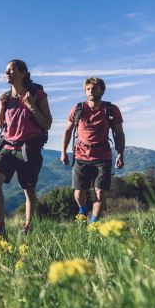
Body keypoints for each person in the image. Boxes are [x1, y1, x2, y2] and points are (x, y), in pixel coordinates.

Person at [0, 60, 52, 238]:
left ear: (23, 73)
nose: (6, 73)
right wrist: (1, 107)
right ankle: (0, 227)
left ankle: (28, 228)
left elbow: (47, 124)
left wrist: (31, 105)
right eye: (5, 71)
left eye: (11, 70)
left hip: (28, 148)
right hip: (7, 146)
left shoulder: (36, 93)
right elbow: (0, 124)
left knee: (28, 190)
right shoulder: (6, 97)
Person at [60, 77, 125, 223]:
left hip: (103, 156)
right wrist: (63, 152)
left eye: (94, 88)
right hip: (80, 155)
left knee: (100, 192)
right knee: (78, 193)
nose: (90, 91)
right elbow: (68, 131)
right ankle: (82, 210)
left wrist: (120, 154)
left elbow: (119, 133)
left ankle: (94, 223)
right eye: (88, 89)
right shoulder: (78, 109)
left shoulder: (111, 110)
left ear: (102, 90)